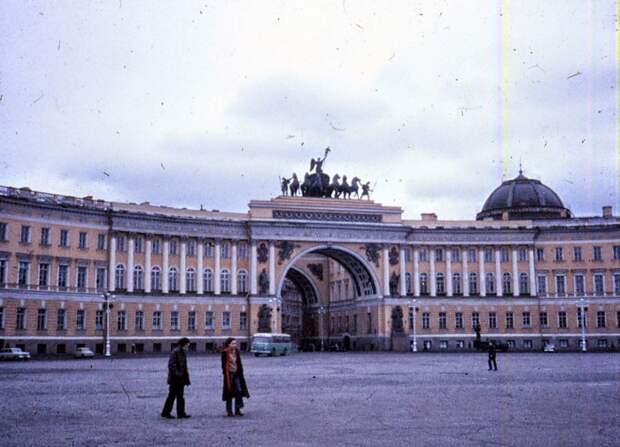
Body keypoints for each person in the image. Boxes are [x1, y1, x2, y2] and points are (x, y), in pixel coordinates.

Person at [161, 337, 191, 419]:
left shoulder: (183, 352)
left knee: (180, 396)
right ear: (184, 344)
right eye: (187, 345)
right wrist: (179, 374)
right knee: (172, 396)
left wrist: (185, 377)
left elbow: (184, 366)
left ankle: (181, 413)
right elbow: (171, 365)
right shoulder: (175, 352)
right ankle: (166, 412)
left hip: (181, 379)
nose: (188, 346)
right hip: (175, 379)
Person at [221, 337, 250, 417]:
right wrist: (225, 373)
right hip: (229, 374)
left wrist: (241, 371)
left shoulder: (236, 351)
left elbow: (239, 362)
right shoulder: (225, 352)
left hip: (237, 373)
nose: (235, 345)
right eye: (233, 343)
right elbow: (223, 365)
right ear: (229, 344)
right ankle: (229, 411)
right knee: (229, 392)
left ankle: (238, 409)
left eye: (235, 343)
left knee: (239, 390)